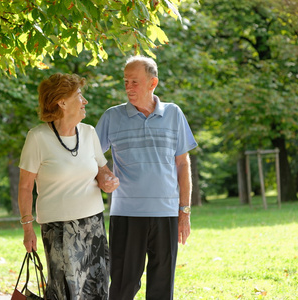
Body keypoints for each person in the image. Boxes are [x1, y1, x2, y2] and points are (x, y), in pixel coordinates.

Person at [95, 56, 198, 300]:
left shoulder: (174, 114)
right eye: (126, 82)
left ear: (153, 83)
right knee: (122, 286)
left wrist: (184, 211)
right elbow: (91, 157)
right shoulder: (112, 116)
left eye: (135, 82)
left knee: (162, 288)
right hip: (126, 213)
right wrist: (103, 174)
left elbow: (183, 164)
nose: (128, 87)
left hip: (166, 213)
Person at [18, 73, 119, 300]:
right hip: (59, 229)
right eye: (79, 96)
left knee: (97, 288)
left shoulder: (89, 132)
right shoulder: (37, 138)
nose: (85, 102)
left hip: (93, 225)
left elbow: (102, 169)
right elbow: (25, 187)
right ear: (62, 102)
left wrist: (107, 179)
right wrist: (27, 227)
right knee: (65, 292)